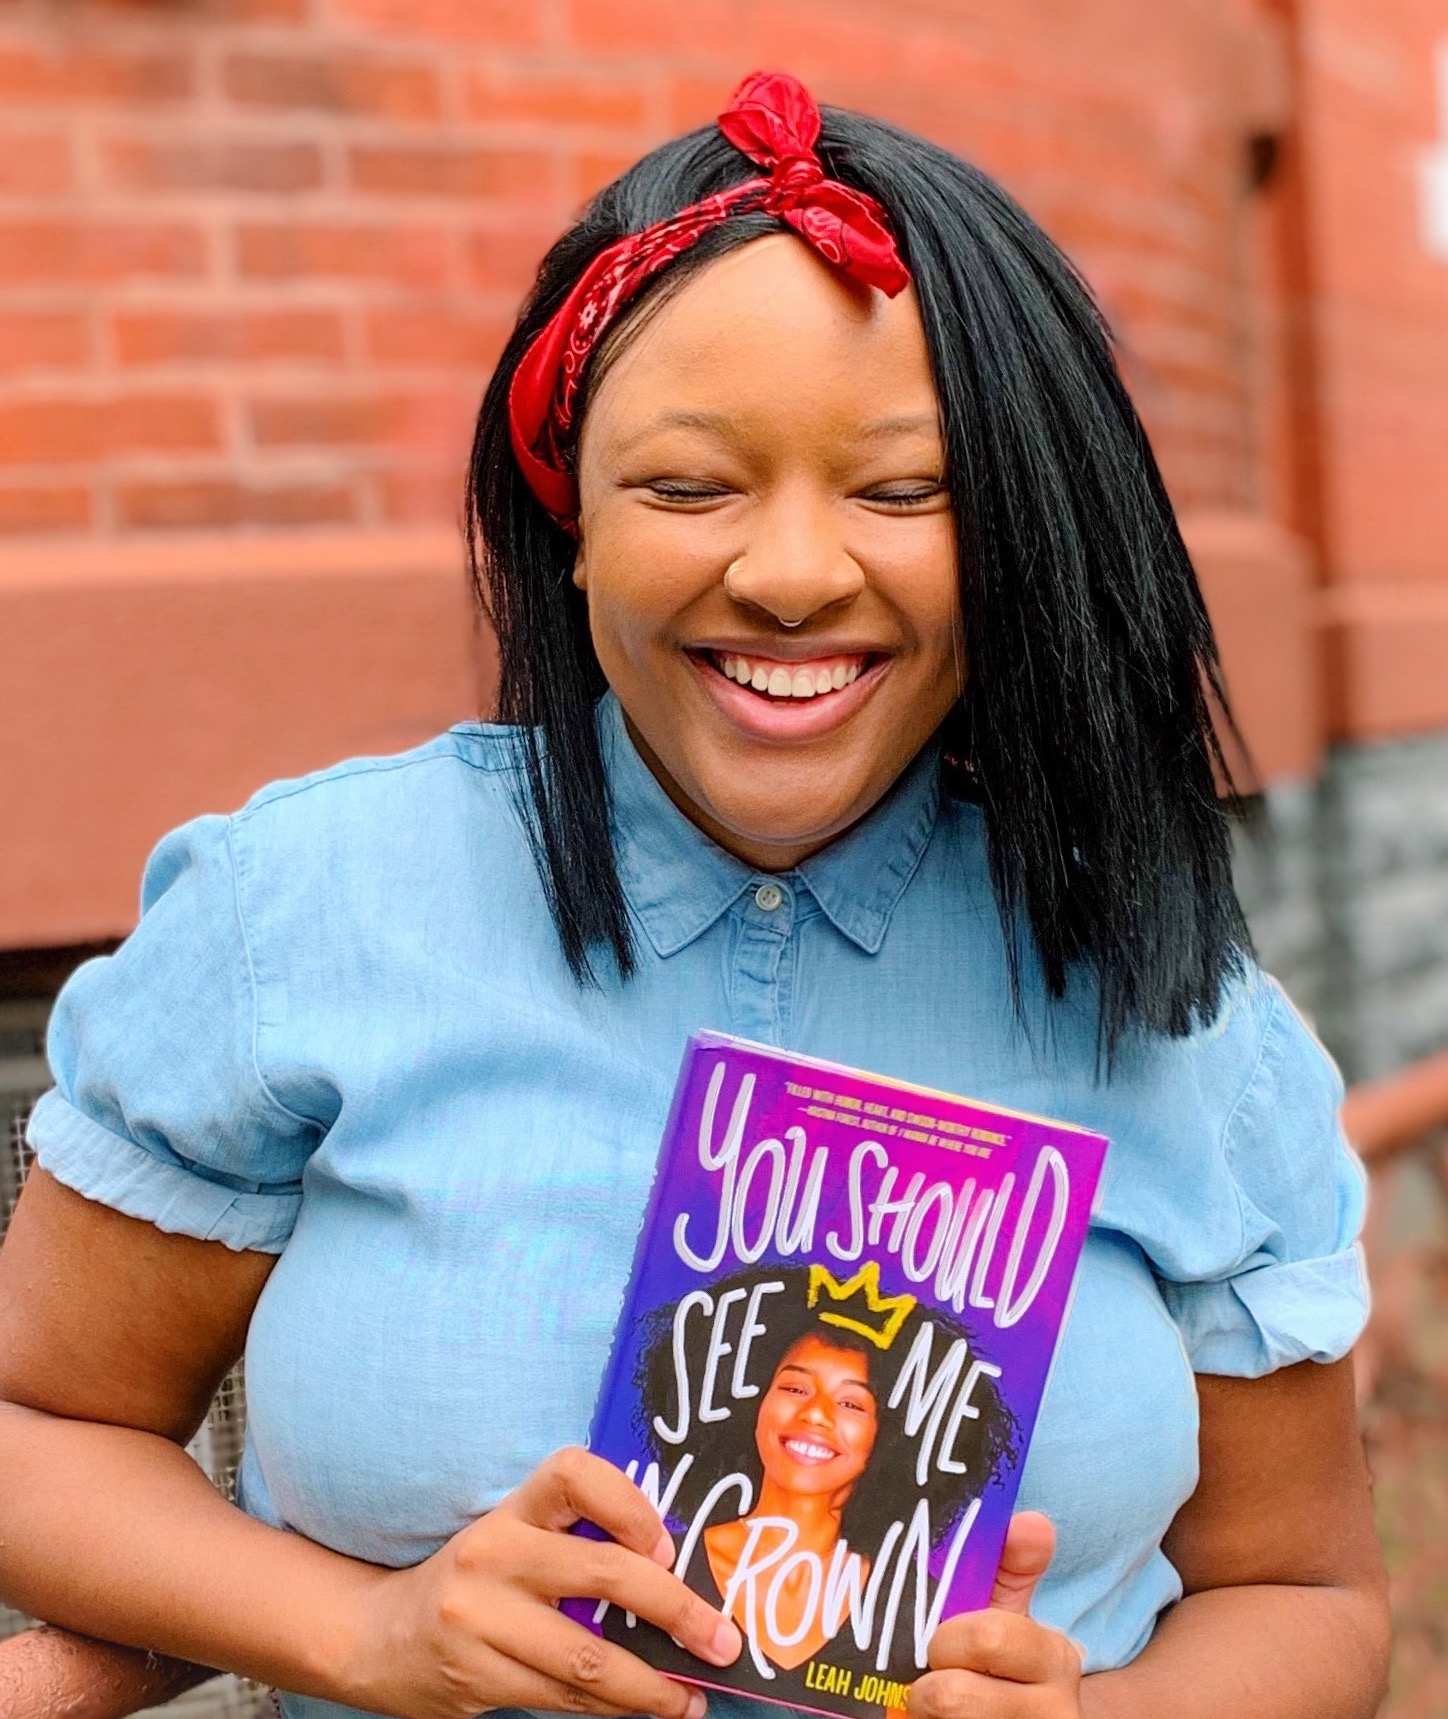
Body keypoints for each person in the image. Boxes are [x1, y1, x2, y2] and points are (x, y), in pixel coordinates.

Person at [0, 69, 1387, 1719]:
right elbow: (44, 1428)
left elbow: (1303, 1591)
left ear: (1015, 532)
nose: (790, 574)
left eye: (898, 489)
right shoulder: (304, 906)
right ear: (568, 513)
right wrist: (356, 1628)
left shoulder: (1168, 992)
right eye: (687, 487)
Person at [622, 1263, 1014, 1687]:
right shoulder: (654, 1568)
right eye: (794, 1388)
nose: (815, 1415)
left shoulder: (919, 1613)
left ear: (887, 1438)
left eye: (851, 1404)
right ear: (753, 1404)